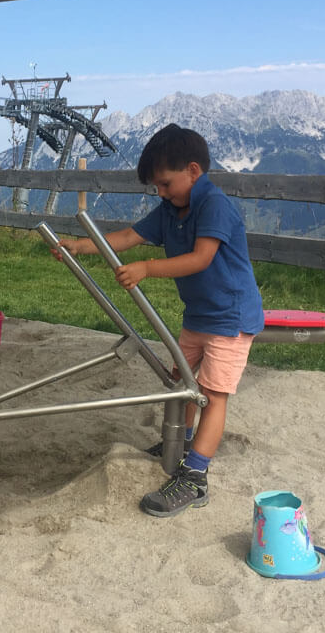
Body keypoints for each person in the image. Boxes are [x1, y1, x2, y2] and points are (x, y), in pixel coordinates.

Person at [55, 123, 264, 518]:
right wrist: (82, 246)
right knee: (178, 383)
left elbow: (201, 258)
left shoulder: (214, 205)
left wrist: (148, 269)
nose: (161, 193)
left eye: (166, 184)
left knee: (211, 394)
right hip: (199, 315)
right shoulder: (172, 208)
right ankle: (179, 444)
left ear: (193, 171)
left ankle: (195, 477)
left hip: (231, 317)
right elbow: (131, 236)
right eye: (157, 187)